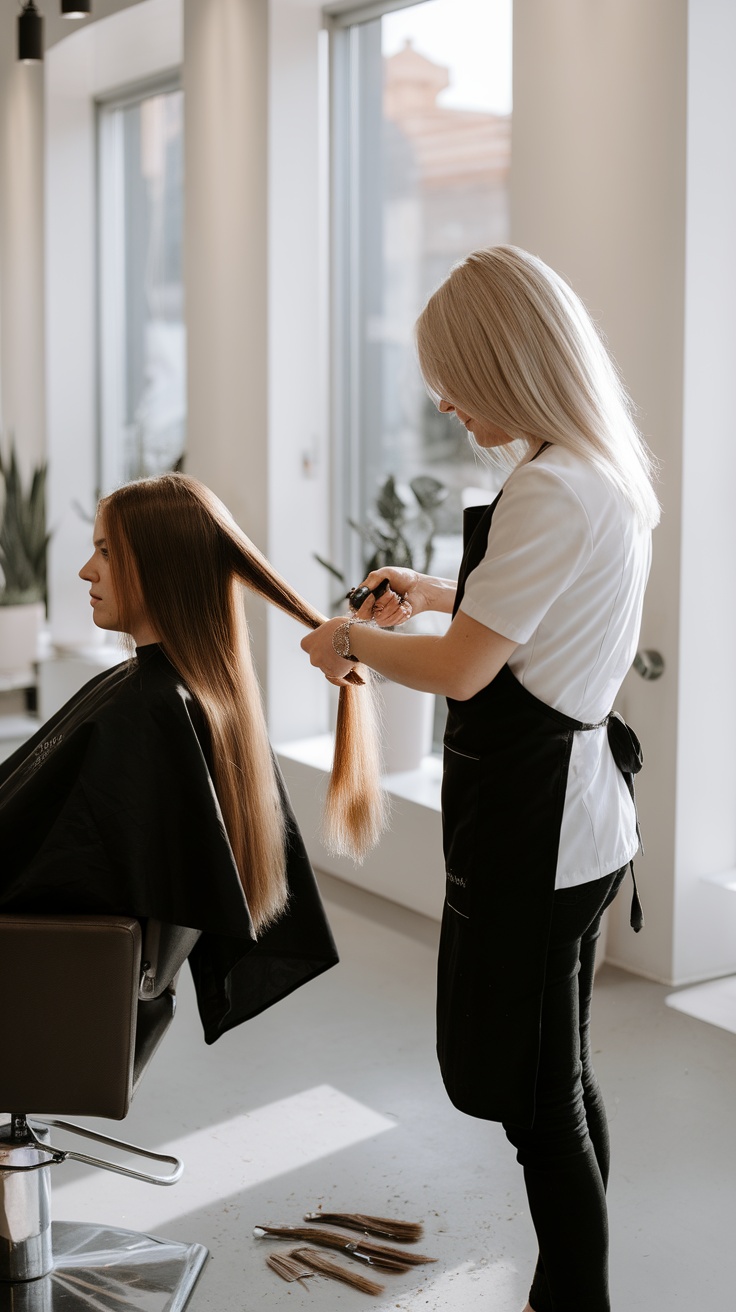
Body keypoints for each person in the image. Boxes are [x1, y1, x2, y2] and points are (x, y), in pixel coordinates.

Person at [301, 245, 659, 1312]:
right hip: (584, 827)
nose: (446, 402)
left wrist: (351, 646)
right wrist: (430, 587)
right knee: (562, 1076)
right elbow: (518, 618)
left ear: (511, 362)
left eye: (456, 378)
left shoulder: (549, 486)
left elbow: (466, 668)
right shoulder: (593, 473)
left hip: (542, 834)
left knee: (535, 1102)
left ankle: (573, 1298)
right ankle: (569, 1278)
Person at [0, 473, 386, 1041]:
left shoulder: (147, 708)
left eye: (106, 552)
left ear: (161, 564)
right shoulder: (197, 696)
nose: (87, 570)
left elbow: (63, 866)